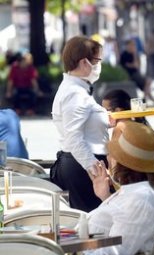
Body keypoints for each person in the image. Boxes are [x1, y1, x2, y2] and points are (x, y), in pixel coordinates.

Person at [82, 120, 154, 255]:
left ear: (123, 164)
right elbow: (119, 225)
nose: (107, 157)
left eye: (112, 155)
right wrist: (105, 197)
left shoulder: (140, 199)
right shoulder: (137, 192)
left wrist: (70, 254)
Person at [50, 36, 110, 212]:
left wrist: (105, 120)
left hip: (81, 163)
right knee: (95, 226)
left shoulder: (76, 89)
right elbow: (74, 137)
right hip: (82, 165)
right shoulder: (75, 93)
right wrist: (95, 170)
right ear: (84, 62)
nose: (99, 66)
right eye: (97, 61)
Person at [120, 39, 154, 107]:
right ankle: (148, 101)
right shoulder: (124, 55)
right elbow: (133, 65)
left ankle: (150, 101)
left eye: (134, 45)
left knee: (147, 87)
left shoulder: (133, 54)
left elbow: (137, 65)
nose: (133, 46)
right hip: (130, 75)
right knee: (148, 84)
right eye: (132, 45)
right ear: (127, 46)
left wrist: (134, 54)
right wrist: (134, 56)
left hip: (136, 74)